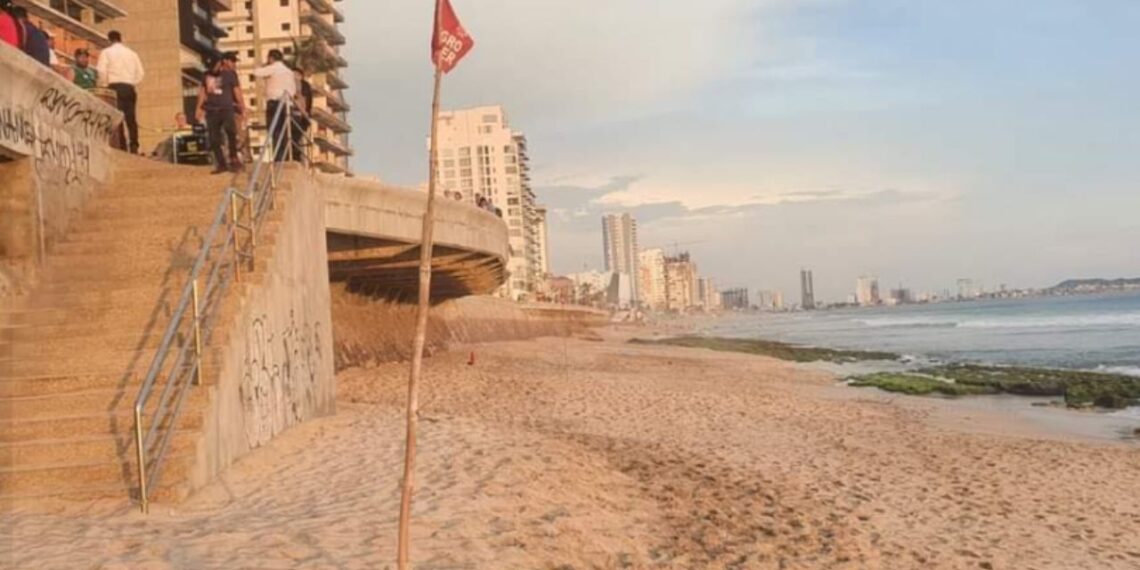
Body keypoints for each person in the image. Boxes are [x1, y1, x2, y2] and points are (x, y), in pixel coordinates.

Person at [97, 30, 145, 154]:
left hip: (114, 86)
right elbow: (140, 73)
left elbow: (101, 70)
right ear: (121, 39)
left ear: (109, 40)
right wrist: (132, 82)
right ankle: (134, 144)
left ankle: (121, 144)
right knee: (131, 117)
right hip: (129, 87)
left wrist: (105, 84)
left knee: (117, 117)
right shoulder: (132, 53)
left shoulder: (106, 52)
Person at [195, 55, 244, 174]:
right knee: (214, 139)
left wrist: (242, 106)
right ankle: (221, 164)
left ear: (220, 63)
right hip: (211, 110)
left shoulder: (229, 75)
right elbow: (203, 92)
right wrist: (198, 108)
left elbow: (236, 90)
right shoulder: (206, 75)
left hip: (226, 109)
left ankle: (233, 157)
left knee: (231, 132)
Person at [251, 49, 295, 162]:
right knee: (284, 132)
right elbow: (293, 90)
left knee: (275, 130)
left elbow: (256, 72)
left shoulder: (273, 68)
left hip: (275, 103)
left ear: (271, 58)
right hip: (287, 104)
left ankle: (278, 157)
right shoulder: (289, 72)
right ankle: (285, 156)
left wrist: (263, 65)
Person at [290, 66, 313, 162]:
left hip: (299, 115)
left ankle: (296, 157)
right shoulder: (292, 84)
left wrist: (306, 114)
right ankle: (296, 157)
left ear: (300, 76)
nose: (293, 76)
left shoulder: (303, 86)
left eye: (295, 74)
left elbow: (307, 102)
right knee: (293, 138)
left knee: (295, 137)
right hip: (295, 114)